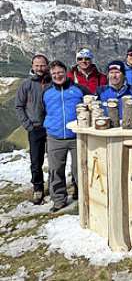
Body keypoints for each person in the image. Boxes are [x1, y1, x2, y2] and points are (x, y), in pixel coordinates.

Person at [42, 60, 88, 212]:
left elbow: (91, 107)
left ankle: (83, 197)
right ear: (50, 75)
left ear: (66, 72)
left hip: (76, 136)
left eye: (60, 72)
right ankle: (59, 200)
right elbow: (41, 112)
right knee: (56, 170)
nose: (57, 75)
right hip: (54, 137)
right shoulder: (46, 92)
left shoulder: (79, 89)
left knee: (79, 169)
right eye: (54, 73)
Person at [15, 54, 51, 205]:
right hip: (35, 128)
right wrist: (28, 125)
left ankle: (55, 186)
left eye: (42, 65)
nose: (39, 68)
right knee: (36, 161)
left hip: (51, 128)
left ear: (47, 66)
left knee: (55, 160)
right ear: (32, 66)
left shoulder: (52, 82)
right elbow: (19, 106)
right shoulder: (26, 84)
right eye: (37, 65)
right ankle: (38, 188)